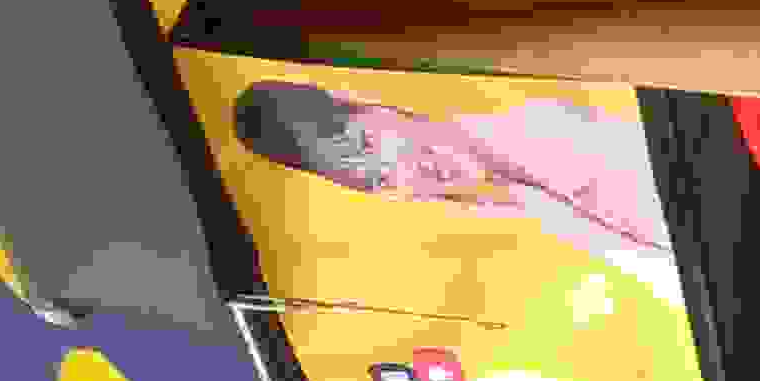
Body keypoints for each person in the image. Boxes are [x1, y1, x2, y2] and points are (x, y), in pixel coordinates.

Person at [227, 78, 675, 267]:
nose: (404, 171)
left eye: (365, 142)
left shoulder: (565, 133)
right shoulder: (526, 210)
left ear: (368, 104)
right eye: (377, 181)